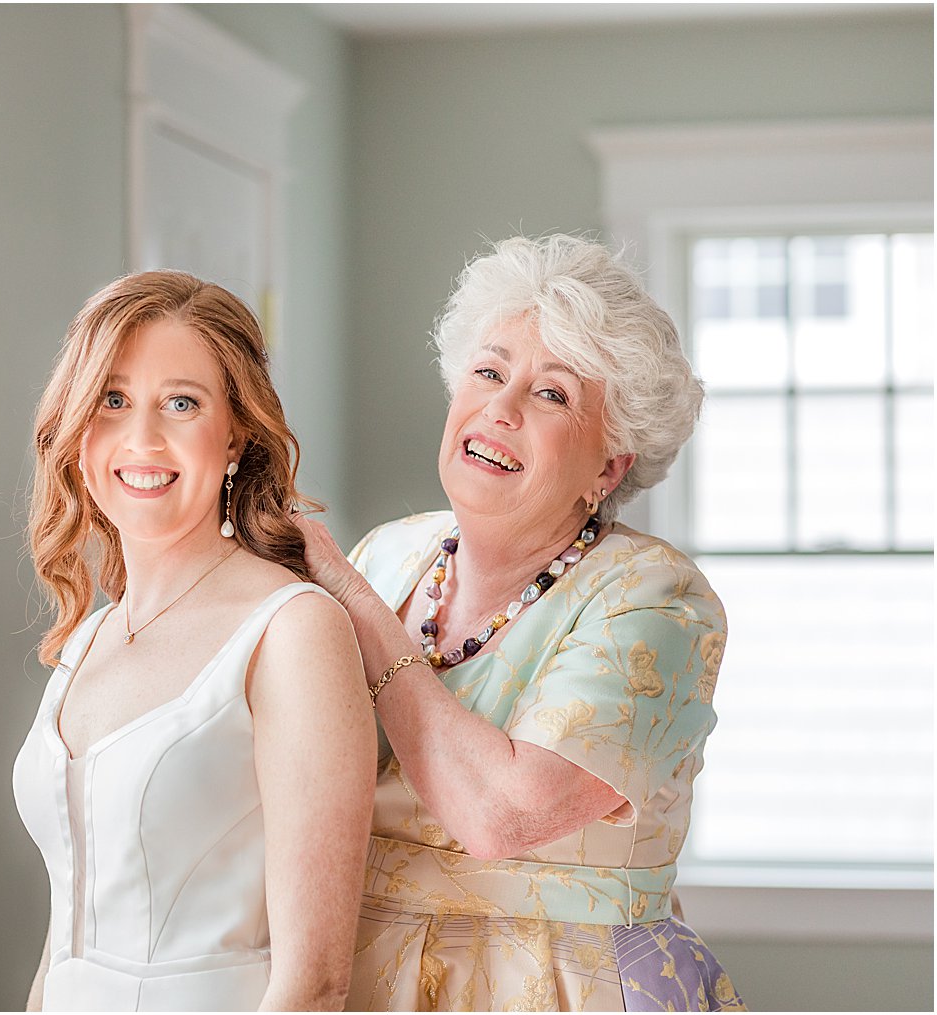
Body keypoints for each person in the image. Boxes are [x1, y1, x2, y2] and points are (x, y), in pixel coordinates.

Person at [297, 235, 747, 1011]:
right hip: (362, 976)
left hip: (561, 985)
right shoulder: (388, 554)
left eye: (552, 395)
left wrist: (348, 595)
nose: (499, 408)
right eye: (489, 371)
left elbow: (503, 814)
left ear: (609, 466)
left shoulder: (658, 597)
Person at [15, 270, 376, 1011]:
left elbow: (314, 982)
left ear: (237, 429)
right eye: (113, 401)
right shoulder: (90, 639)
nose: (142, 438)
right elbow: (63, 945)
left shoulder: (292, 631)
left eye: (181, 403)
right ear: (78, 424)